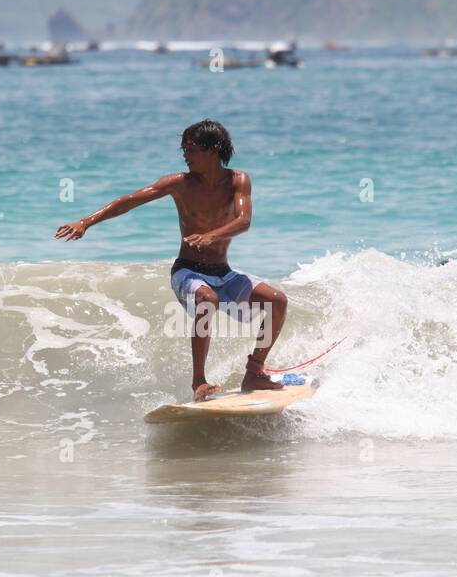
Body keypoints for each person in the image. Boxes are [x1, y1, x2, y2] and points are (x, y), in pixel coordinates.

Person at [55, 120, 287, 401]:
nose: (185, 156)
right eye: (184, 150)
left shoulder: (238, 181)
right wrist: (86, 222)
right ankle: (199, 382)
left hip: (223, 272)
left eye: (191, 150)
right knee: (207, 299)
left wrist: (212, 236)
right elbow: (129, 200)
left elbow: (244, 221)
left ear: (213, 150)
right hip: (188, 272)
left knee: (277, 300)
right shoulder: (179, 184)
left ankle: (255, 371)